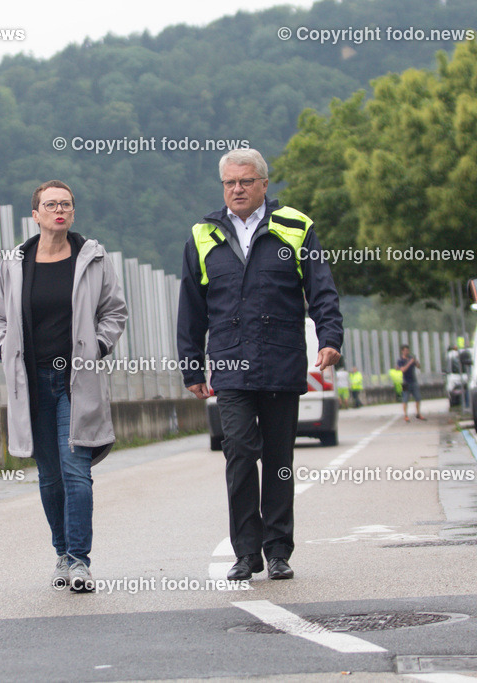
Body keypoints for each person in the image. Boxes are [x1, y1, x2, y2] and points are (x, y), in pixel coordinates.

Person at [177, 148, 343, 582]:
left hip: (280, 359)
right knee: (238, 451)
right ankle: (246, 553)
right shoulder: (202, 235)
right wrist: (191, 367)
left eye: (246, 181)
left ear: (264, 184)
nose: (237, 189)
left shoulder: (296, 227)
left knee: (278, 457)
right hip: (230, 363)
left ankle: (279, 550)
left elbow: (321, 289)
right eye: (230, 183)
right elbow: (191, 307)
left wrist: (330, 338)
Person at [0, 180, 127, 593]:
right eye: (50, 205)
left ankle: (80, 561)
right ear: (36, 214)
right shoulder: (15, 262)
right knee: (50, 476)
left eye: (66, 204)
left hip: (75, 381)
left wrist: (99, 345)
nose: (59, 210)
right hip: (32, 382)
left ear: (73, 212)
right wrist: (4, 347)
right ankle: (62, 554)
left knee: (76, 470)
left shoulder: (93, 258)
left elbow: (114, 311)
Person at [397, 344, 424, 421]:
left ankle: (418, 413)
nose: (407, 352)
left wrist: (416, 362)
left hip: (413, 381)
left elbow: (419, 366)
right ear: (402, 351)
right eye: (405, 350)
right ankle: (405, 415)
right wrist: (409, 363)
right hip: (405, 382)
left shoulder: (411, 358)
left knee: (418, 398)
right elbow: (402, 370)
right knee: (405, 399)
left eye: (407, 350)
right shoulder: (400, 360)